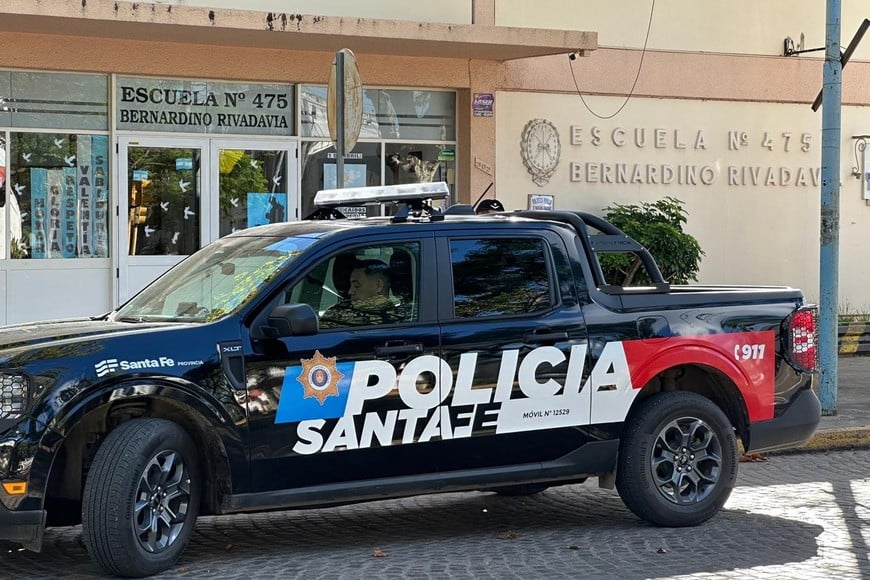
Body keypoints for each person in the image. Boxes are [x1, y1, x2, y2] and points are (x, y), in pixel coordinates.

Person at [320, 259, 400, 328]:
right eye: (351, 285)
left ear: (378, 285)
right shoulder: (338, 313)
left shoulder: (399, 320)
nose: (350, 291)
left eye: (356, 285)